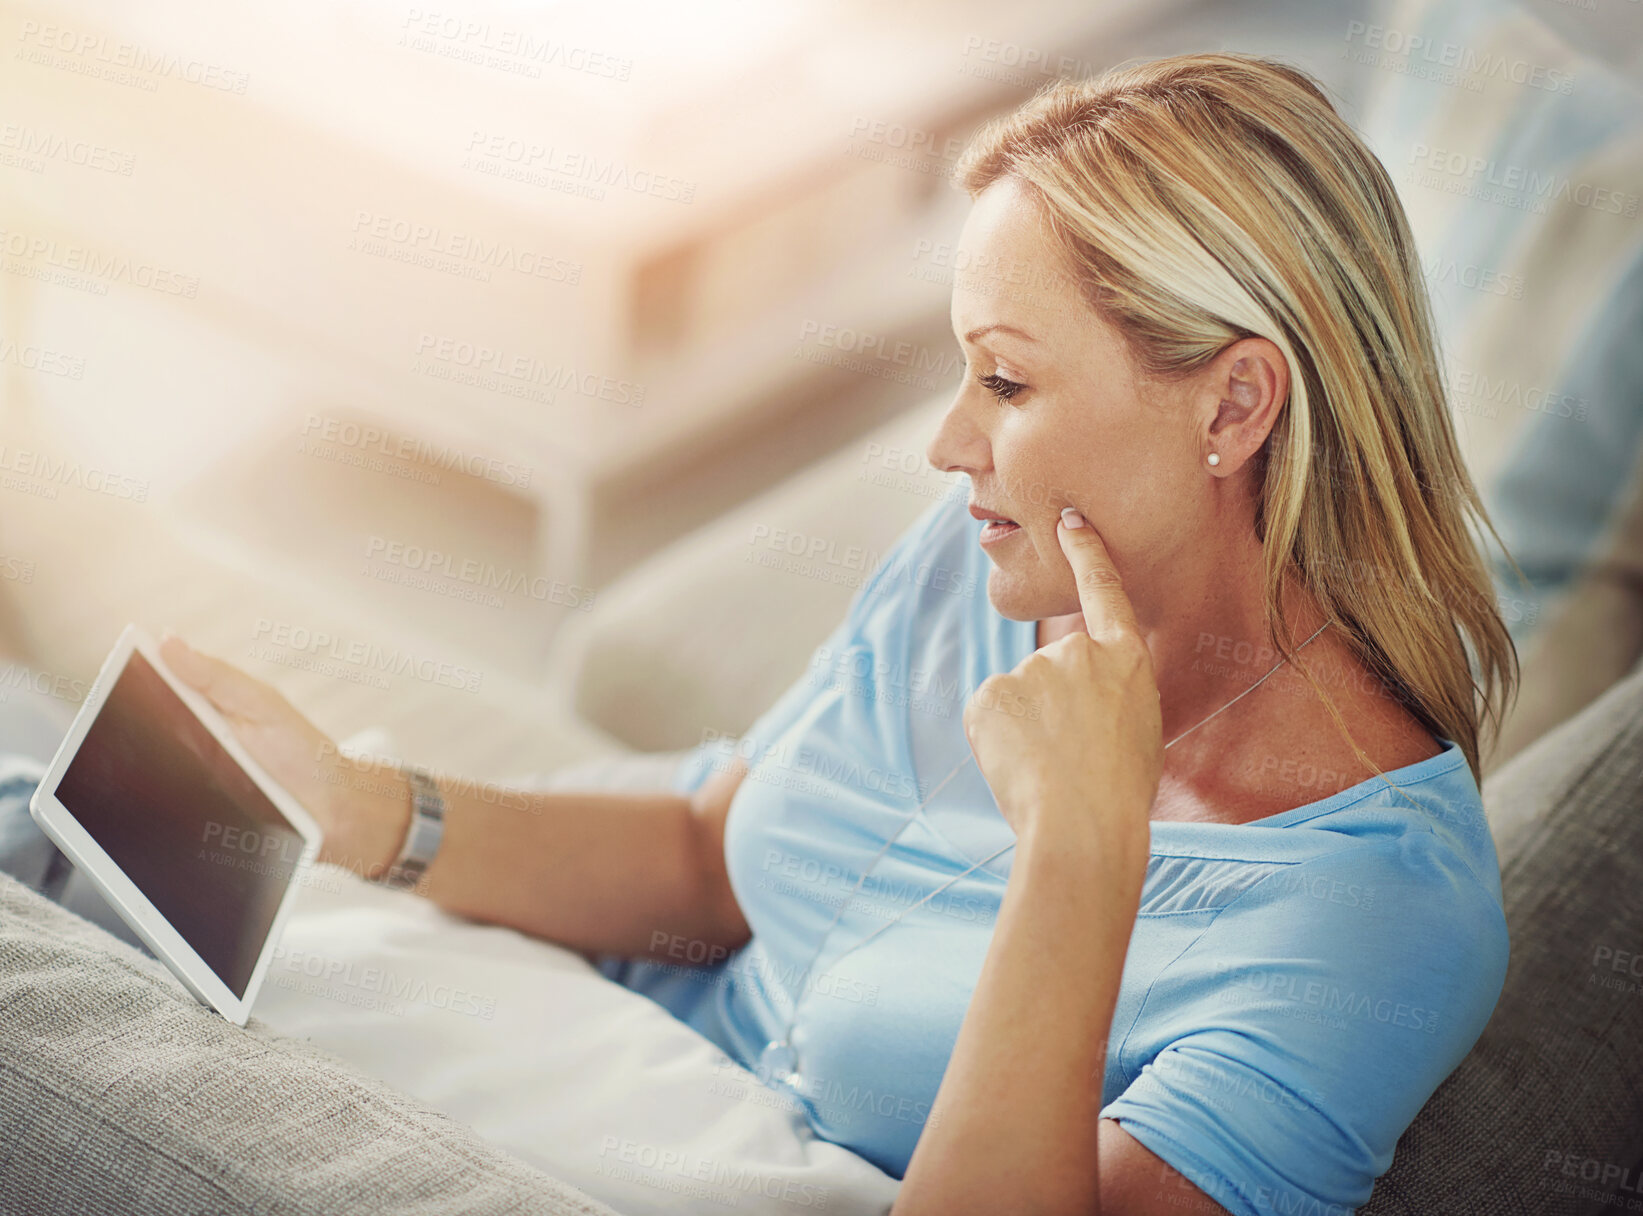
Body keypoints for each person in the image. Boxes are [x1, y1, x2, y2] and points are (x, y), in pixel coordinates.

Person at [4, 52, 1517, 1216]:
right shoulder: (994, 572)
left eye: (1004, 383)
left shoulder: (1376, 924)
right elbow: (705, 868)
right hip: (566, 1046)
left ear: (1235, 406)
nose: (945, 448)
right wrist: (364, 810)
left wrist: (1084, 846)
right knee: (80, 821)